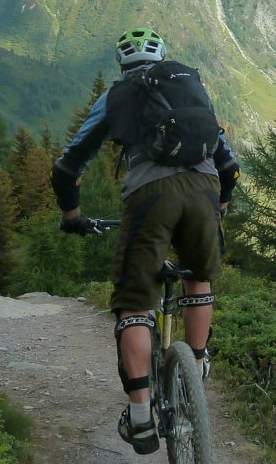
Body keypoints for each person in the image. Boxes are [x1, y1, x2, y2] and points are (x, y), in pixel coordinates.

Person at [50, 27, 239, 455]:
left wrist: (72, 216)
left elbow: (68, 166)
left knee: (134, 301)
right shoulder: (191, 88)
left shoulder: (116, 95)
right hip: (205, 190)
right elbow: (228, 162)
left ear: (123, 64)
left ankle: (139, 417)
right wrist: (220, 203)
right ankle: (197, 362)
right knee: (199, 275)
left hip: (149, 196)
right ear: (165, 56)